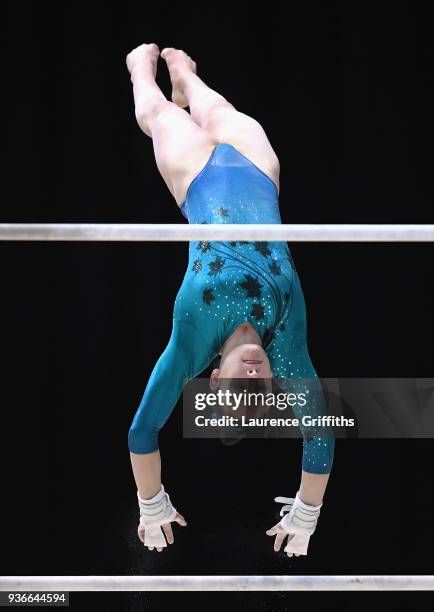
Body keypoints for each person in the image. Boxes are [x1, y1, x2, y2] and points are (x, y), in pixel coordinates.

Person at [126, 44, 335, 556]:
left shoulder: (191, 344)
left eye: (234, 388)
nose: (250, 377)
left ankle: (140, 69)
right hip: (259, 172)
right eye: (258, 388)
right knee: (209, 103)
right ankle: (186, 74)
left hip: (195, 179)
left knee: (158, 114)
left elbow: (143, 428)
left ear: (213, 379)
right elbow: (321, 435)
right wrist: (307, 515)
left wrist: (149, 501)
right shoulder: (287, 342)